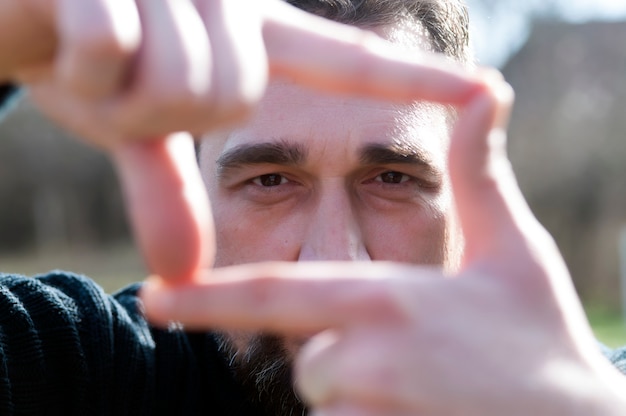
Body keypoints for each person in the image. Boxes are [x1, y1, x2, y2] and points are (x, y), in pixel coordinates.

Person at [0, 0, 625, 415]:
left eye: (391, 177)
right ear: (191, 185)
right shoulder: (95, 372)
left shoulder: (574, 393)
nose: (334, 257)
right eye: (271, 180)